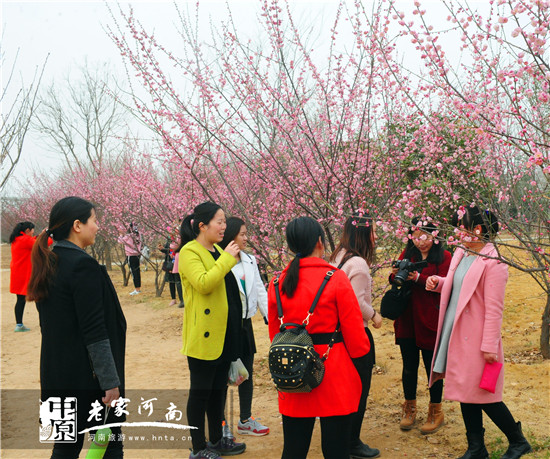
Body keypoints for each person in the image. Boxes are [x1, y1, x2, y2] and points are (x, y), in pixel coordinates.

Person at [426, 206, 532, 459]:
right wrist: (439, 283)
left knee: (484, 394)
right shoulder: (462, 252)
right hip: (456, 332)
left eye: (461, 227)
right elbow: (460, 285)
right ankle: (476, 448)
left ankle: (518, 441)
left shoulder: (494, 261)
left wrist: (489, 346)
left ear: (477, 229)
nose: (456, 232)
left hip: (476, 339)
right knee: (465, 391)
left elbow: (495, 310)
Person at [27, 196, 126, 459]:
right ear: (77, 225)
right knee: (109, 444)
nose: (98, 226)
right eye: (94, 220)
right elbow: (95, 331)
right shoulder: (83, 265)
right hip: (88, 376)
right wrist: (110, 383)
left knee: (65, 446)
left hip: (57, 372)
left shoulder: (50, 261)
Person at [267, 216, 371, 459]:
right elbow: (356, 339)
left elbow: (275, 336)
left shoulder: (277, 282)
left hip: (294, 373)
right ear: (319, 242)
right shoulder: (335, 278)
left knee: (294, 450)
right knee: (336, 451)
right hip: (333, 372)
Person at [178, 202, 246, 459]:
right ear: (202, 226)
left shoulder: (217, 250)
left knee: (218, 391)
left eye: (224, 221)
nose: (224, 226)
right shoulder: (189, 252)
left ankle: (216, 440)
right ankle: (198, 448)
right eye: (219, 221)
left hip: (224, 333)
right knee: (200, 393)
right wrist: (227, 259)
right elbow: (204, 283)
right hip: (203, 336)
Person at [390, 218, 451, 434]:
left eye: (425, 236)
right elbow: (394, 278)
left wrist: (418, 277)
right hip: (407, 319)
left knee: (432, 368)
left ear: (435, 236)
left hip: (430, 319)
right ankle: (409, 408)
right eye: (415, 237)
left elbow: (446, 284)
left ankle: (436, 411)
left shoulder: (444, 257)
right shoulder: (408, 255)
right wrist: (396, 274)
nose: (420, 242)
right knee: (409, 366)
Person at [329, 212, 382, 459]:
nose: (375, 236)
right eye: (373, 231)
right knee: (359, 389)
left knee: (343, 390)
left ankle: (342, 439)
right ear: (363, 233)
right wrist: (374, 315)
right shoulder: (358, 264)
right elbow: (356, 302)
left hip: (336, 334)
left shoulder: (338, 256)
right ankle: (352, 442)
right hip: (355, 334)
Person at [219, 217, 269, 438]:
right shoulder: (220, 260)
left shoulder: (249, 260)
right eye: (242, 234)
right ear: (231, 236)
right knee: (223, 376)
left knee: (246, 373)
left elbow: (259, 289)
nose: (246, 238)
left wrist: (269, 317)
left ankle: (246, 420)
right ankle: (220, 423)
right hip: (226, 326)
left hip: (245, 325)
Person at [9, 221, 37, 332]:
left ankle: (19, 324)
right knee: (39, 297)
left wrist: (39, 236)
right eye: (32, 230)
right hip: (25, 274)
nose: (33, 232)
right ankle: (45, 322)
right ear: (27, 230)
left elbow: (32, 240)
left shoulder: (17, 239)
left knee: (20, 300)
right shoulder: (25, 240)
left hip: (17, 274)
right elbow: (42, 244)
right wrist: (47, 235)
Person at [159, 231, 183, 307]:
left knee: (179, 281)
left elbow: (177, 248)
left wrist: (172, 252)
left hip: (178, 262)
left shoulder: (179, 239)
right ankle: (173, 299)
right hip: (170, 263)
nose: (171, 233)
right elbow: (168, 249)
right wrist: (162, 249)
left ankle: (182, 299)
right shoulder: (169, 240)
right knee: (171, 282)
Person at [118, 222, 142, 295]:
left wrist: (121, 234)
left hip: (131, 255)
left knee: (133, 272)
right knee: (137, 272)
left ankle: (137, 289)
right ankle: (138, 288)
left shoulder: (129, 236)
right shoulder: (139, 235)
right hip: (137, 255)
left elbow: (120, 241)